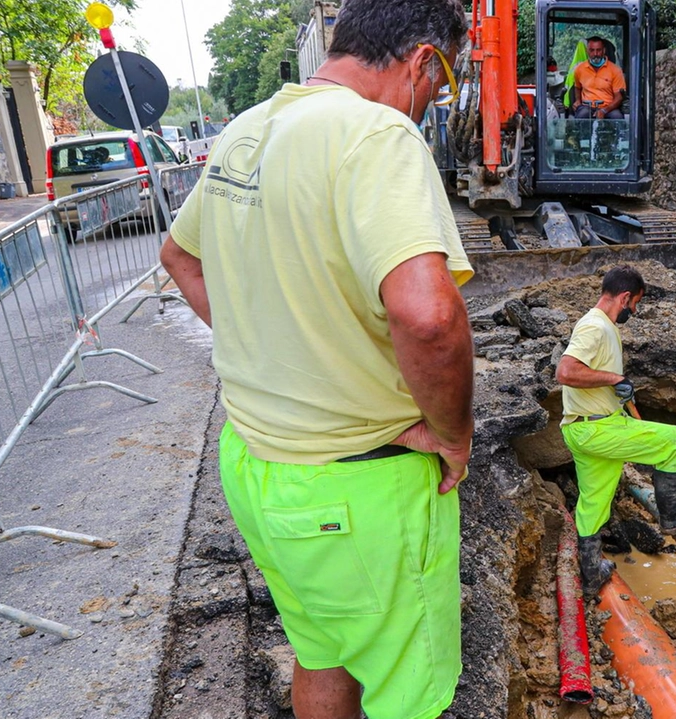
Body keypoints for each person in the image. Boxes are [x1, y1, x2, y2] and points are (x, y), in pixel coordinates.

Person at [159, 2, 472, 718]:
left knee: (321, 648)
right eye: (442, 83)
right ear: (424, 60)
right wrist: (452, 435)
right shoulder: (377, 134)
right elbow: (427, 318)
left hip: (257, 469)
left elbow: (180, 257)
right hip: (357, 487)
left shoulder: (248, 128)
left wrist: (269, 349)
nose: (433, 104)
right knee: (409, 692)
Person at [556, 265, 676, 596]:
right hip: (598, 430)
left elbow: (587, 373)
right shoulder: (595, 327)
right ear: (625, 297)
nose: (635, 311)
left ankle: (590, 573)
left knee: (593, 502)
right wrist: (615, 379)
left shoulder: (601, 326)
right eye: (636, 304)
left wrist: (610, 386)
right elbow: (567, 371)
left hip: (582, 427)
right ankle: (674, 517)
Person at [570, 36, 626, 120]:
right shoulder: (579, 69)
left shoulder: (615, 70)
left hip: (608, 107)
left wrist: (604, 111)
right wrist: (578, 100)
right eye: (592, 50)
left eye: (598, 50)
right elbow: (577, 87)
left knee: (617, 117)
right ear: (587, 51)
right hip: (587, 106)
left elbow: (619, 97)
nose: (595, 54)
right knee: (582, 115)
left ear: (604, 50)